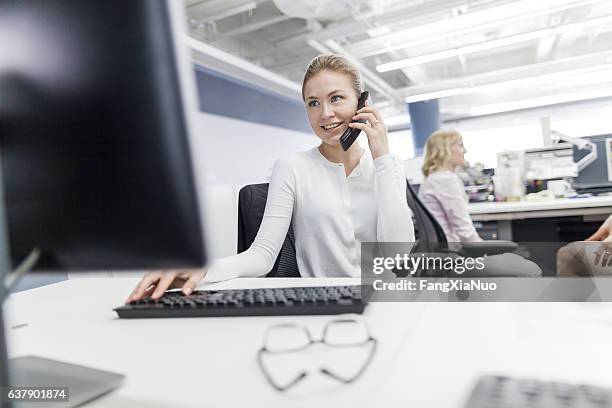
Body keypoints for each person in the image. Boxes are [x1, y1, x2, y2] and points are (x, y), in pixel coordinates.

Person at [126, 54, 415, 302]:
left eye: (336, 98)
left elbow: (399, 256)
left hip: (385, 301)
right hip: (323, 304)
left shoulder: (387, 167)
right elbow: (262, 255)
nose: (325, 113)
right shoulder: (292, 167)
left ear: (362, 102)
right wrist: (202, 269)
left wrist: (382, 157)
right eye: (313, 103)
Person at [418, 129, 482, 243]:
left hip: (442, 250)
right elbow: (464, 231)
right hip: (454, 252)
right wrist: (486, 251)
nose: (465, 151)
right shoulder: (446, 180)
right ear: (445, 150)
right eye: (460, 145)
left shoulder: (433, 179)